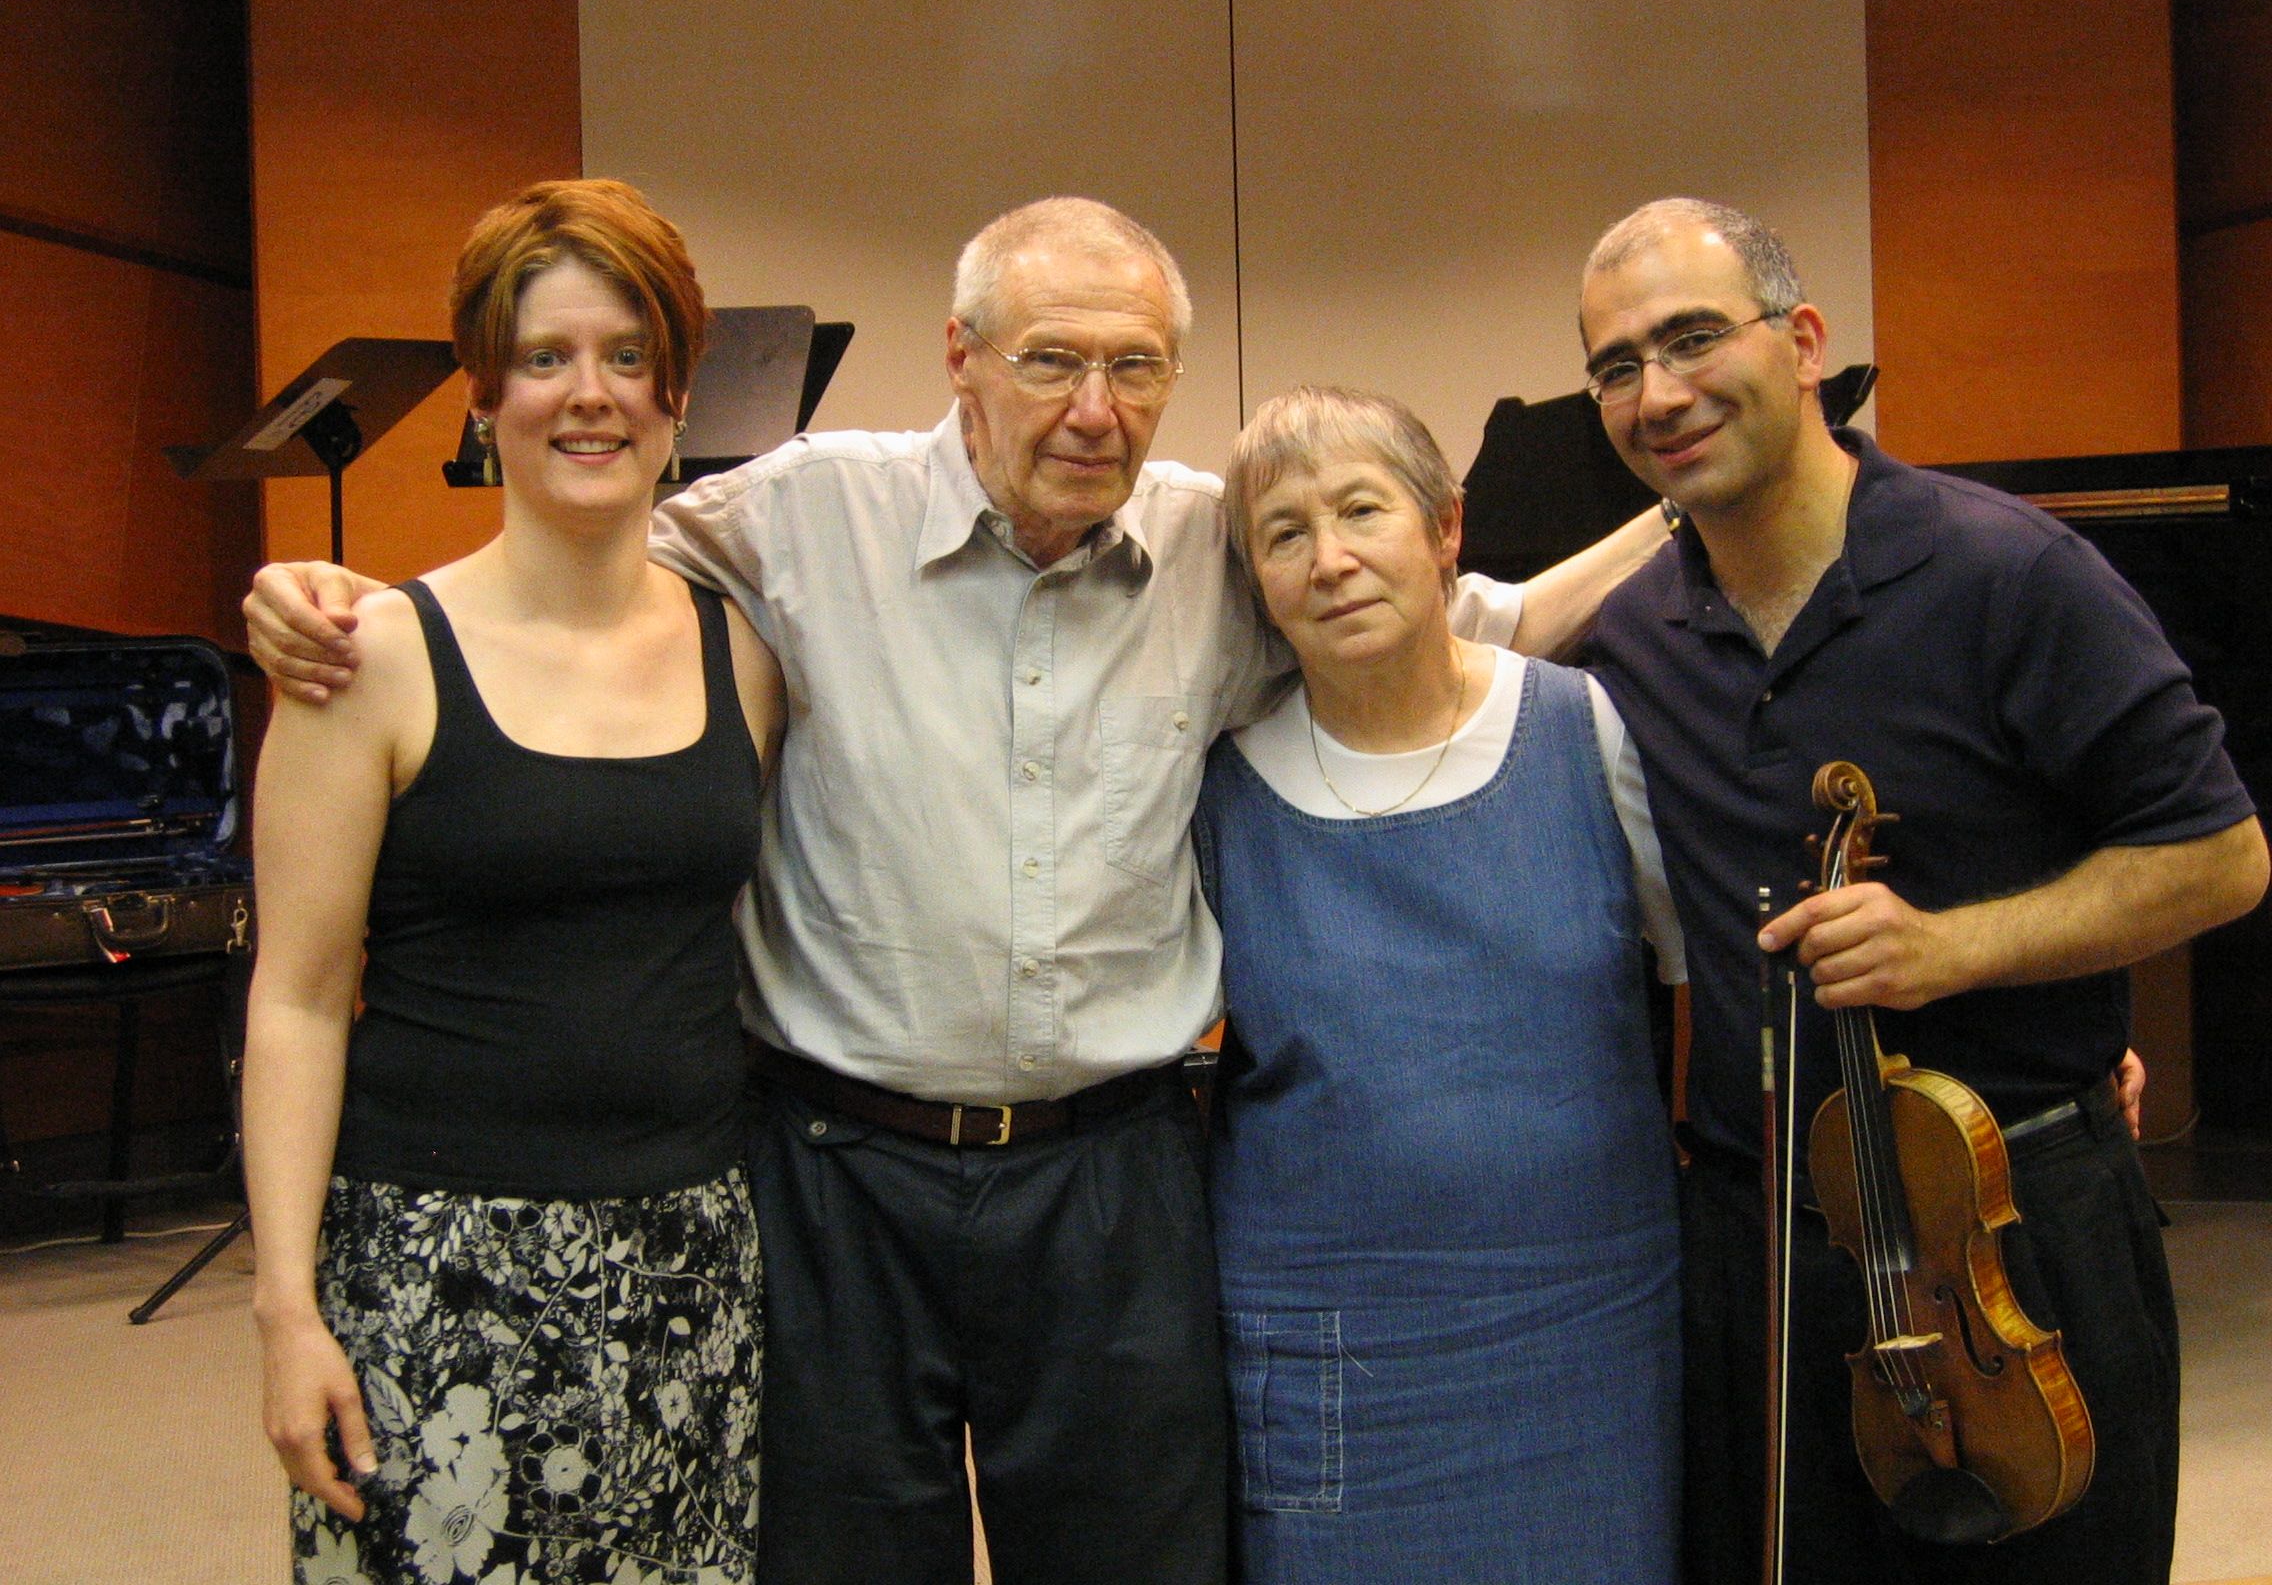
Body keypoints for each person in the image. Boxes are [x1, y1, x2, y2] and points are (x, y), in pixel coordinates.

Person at [242, 196, 1669, 1585]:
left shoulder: (1215, 547)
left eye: (1134, 367)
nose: (1092, 409)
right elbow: (561, 561)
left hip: (1111, 1177)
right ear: (961, 360)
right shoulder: (795, 521)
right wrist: (338, 598)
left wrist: (1694, 503)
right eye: (1050, 360)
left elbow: (1481, 614)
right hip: (838, 1176)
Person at [1577, 197, 2269, 1584]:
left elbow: (2219, 857)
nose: (1657, 394)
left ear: (1806, 342)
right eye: (1614, 365)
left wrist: (1958, 947)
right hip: (1767, 1243)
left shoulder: (2010, 573)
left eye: (1693, 337)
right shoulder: (1630, 641)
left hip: (2018, 1231)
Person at [242, 179, 785, 1585]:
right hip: (433, 1271)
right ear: (485, 396)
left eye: (624, 354)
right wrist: (287, 1312)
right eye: (544, 358)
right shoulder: (366, 657)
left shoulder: (750, 659)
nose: (587, 395)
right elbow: (296, 1002)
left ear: (677, 387)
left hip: (693, 1268)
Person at [1194, 386, 1685, 1581]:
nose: (1332, 560)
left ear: (1446, 532)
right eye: (1285, 533)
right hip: (1324, 1341)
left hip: (1588, 1320)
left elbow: (1707, 983)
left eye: (1363, 510)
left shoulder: (1589, 729)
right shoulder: (1218, 790)